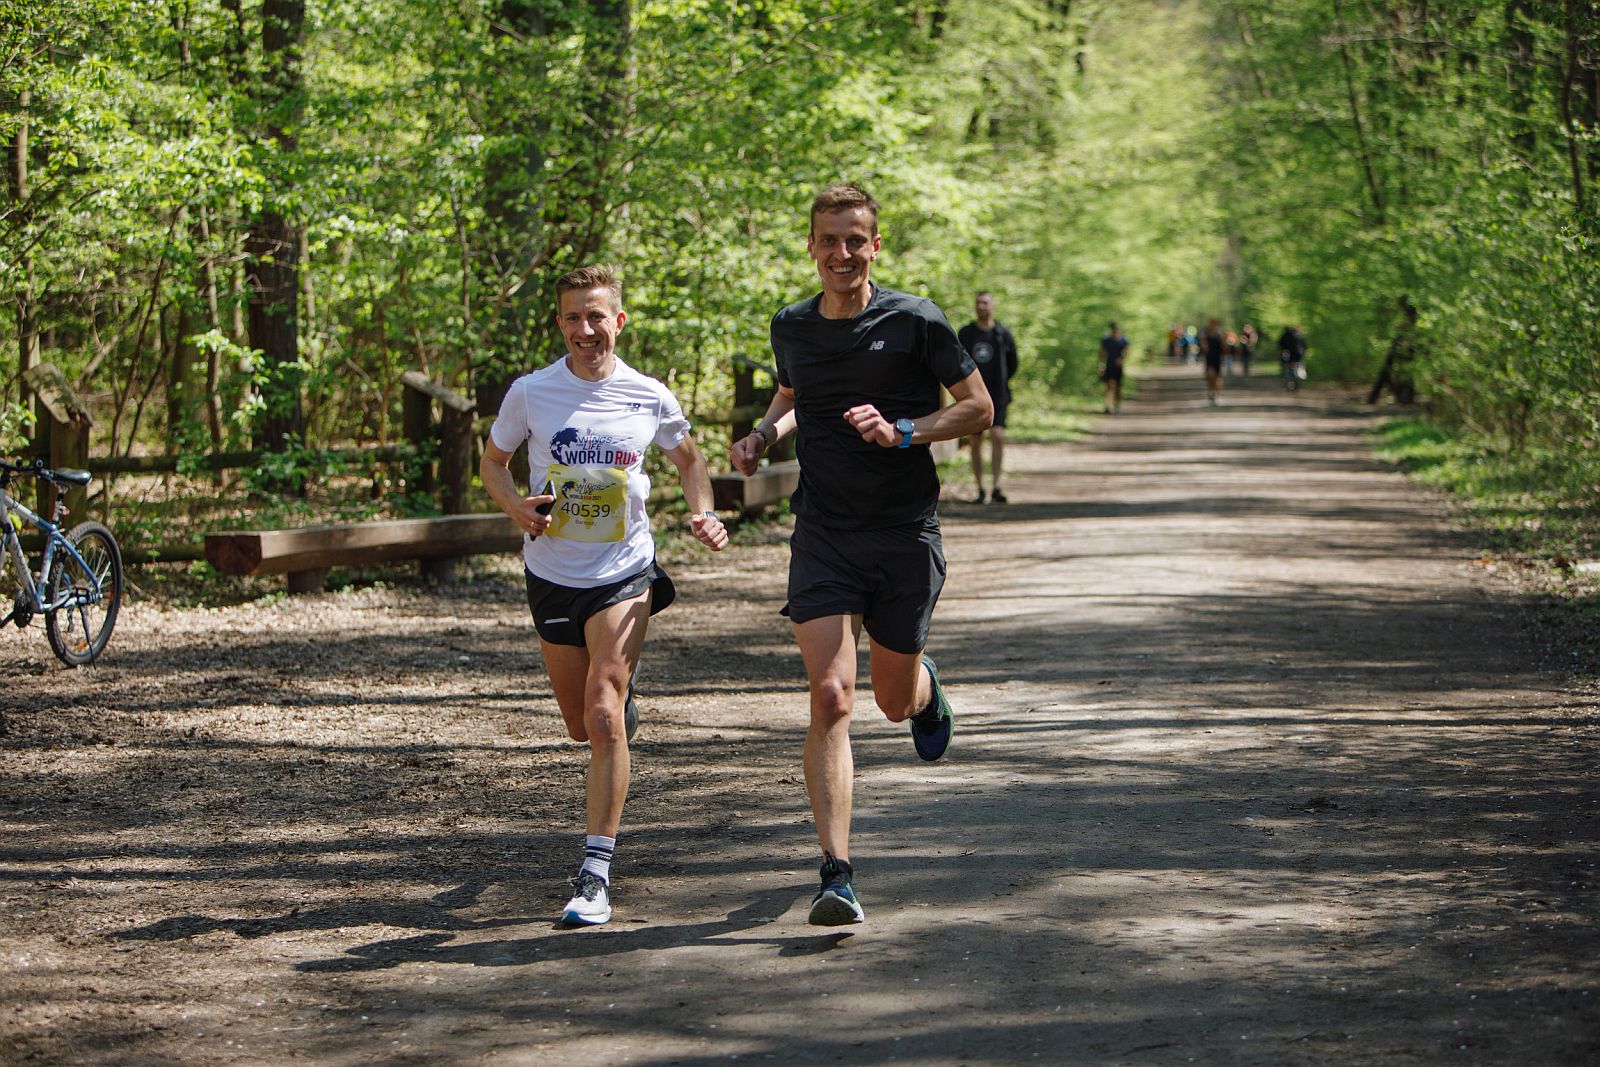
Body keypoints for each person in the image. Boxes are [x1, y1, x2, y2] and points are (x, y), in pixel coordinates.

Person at [731, 182, 993, 927]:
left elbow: (978, 408)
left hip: (904, 531)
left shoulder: (915, 320)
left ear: (875, 245)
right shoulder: (791, 325)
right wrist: (762, 436)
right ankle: (837, 871)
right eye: (828, 240)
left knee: (887, 698)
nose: (841, 253)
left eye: (855, 240)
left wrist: (904, 430)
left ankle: (923, 688)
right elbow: (790, 397)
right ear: (810, 245)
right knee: (830, 697)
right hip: (824, 533)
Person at [481, 264, 729, 927]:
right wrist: (517, 509)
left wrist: (702, 511)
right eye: (572, 317)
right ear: (559, 323)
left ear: (618, 321)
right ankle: (621, 711)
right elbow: (493, 462)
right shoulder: (531, 392)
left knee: (599, 712)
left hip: (625, 572)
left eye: (596, 316)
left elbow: (689, 460)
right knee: (578, 723)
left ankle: (595, 872)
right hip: (552, 568)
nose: (585, 329)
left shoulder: (647, 394)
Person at [957, 291, 1019, 503]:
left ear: (993, 306)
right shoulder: (966, 333)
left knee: (998, 436)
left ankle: (997, 485)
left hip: (999, 394)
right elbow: (956, 362)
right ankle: (980, 488)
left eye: (985, 303)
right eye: (978, 303)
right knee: (975, 441)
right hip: (973, 396)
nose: (981, 307)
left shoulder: (1002, 334)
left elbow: (1013, 364)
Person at [1099, 321, 1129, 414]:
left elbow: (1127, 350)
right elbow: (1101, 353)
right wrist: (1101, 365)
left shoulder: (1122, 340)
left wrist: (1121, 359)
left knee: (1118, 387)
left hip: (1118, 366)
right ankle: (1108, 406)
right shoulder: (1106, 340)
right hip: (1109, 365)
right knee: (1109, 386)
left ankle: (1117, 407)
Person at [1278, 323, 1308, 389]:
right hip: (1299, 355)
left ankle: (1291, 380)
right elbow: (1305, 346)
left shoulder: (1286, 336)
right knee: (1299, 366)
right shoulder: (1300, 336)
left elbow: (1282, 345)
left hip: (1291, 355)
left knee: (1290, 367)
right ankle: (1297, 378)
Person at [1202, 318, 1225, 404]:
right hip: (1209, 358)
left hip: (1217, 358)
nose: (1213, 325)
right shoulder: (1206, 333)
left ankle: (1216, 393)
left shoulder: (1220, 334)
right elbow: (1203, 344)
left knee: (1217, 377)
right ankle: (1211, 392)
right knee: (1210, 376)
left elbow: (1223, 345)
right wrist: (1205, 347)